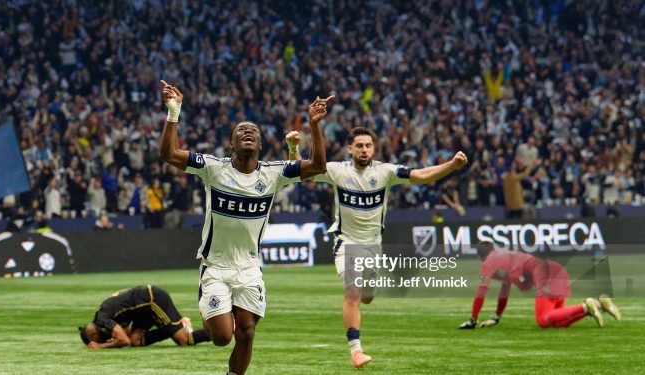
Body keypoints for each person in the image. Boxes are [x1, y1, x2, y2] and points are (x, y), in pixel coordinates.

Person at [158, 80, 330, 375]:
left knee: (247, 333)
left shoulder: (273, 173)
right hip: (215, 266)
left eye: (254, 131)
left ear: (260, 145)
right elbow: (169, 154)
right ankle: (210, 318)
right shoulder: (213, 168)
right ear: (231, 143)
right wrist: (174, 113)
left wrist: (314, 125)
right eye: (241, 130)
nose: (248, 132)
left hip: (249, 268)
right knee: (222, 337)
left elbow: (317, 166)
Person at [287, 126, 467, 368]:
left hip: (373, 247)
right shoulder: (337, 170)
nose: (364, 150)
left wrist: (452, 165)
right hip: (346, 243)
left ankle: (361, 308)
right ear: (349, 149)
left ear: (374, 148)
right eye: (359, 146)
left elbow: (424, 175)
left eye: (368, 145)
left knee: (367, 298)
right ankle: (356, 351)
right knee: (352, 293)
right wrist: (293, 148)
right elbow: (301, 171)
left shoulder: (386, 172)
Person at [457, 241, 621, 329]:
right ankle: (598, 305)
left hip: (545, 275)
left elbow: (481, 292)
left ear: (480, 257)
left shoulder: (488, 263)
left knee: (542, 320)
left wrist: (473, 320)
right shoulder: (505, 256)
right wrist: (496, 317)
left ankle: (586, 306)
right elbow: (504, 292)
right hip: (557, 270)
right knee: (557, 321)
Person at [79, 285, 210, 349]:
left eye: (98, 340)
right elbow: (127, 335)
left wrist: (99, 347)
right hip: (143, 309)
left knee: (184, 340)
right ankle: (176, 325)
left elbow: (124, 340)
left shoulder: (102, 320)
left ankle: (218, 331)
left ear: (93, 334)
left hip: (153, 300)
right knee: (136, 341)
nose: (103, 340)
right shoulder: (103, 315)